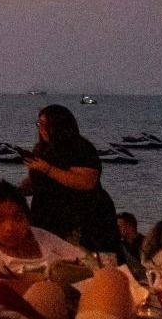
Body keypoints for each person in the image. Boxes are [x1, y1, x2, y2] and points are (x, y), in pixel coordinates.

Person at [0, 181, 136, 319]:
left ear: (27, 219)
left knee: (110, 276)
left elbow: (85, 260)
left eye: (18, 217)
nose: (10, 227)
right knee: (47, 291)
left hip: (78, 311)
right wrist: (44, 281)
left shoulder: (39, 236)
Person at [23, 105, 116, 252]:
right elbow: (36, 182)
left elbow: (86, 182)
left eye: (46, 125)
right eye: (39, 124)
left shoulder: (80, 148)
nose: (41, 129)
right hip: (46, 218)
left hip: (81, 219)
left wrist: (47, 169)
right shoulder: (42, 149)